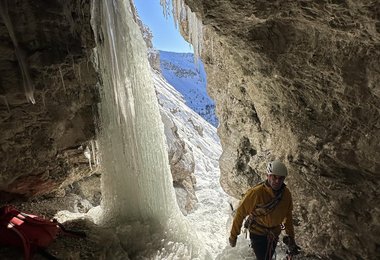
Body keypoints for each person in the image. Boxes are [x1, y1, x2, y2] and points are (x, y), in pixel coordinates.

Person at [228, 160, 299, 260]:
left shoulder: (286, 194)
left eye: (281, 178)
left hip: (274, 233)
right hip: (258, 233)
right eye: (274, 177)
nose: (277, 181)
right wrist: (233, 236)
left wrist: (291, 238)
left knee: (267, 257)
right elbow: (241, 213)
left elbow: (288, 217)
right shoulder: (256, 193)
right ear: (268, 175)